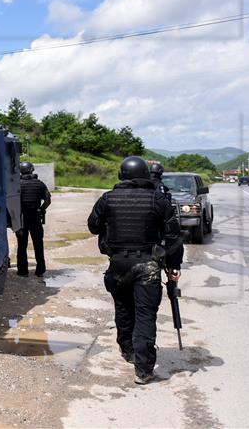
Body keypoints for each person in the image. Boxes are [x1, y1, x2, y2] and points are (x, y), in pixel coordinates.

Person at [87, 156, 183, 384]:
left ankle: (128, 350)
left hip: (118, 264)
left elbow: (93, 226)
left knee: (123, 309)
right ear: (145, 176)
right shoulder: (158, 199)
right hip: (148, 266)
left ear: (122, 175)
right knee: (145, 315)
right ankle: (144, 369)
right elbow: (173, 236)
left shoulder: (107, 199)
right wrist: (173, 266)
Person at [16, 161, 51, 277]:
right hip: (35, 217)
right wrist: (41, 209)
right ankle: (40, 270)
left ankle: (22, 270)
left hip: (21, 218)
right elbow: (47, 200)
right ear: (31, 170)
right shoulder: (39, 184)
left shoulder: (17, 184)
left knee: (21, 245)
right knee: (38, 244)